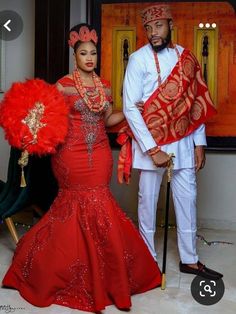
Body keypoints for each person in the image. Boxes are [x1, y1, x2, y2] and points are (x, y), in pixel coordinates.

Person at [2, 23, 161, 313]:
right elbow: (42, 118)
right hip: (70, 156)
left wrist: (129, 111)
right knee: (75, 204)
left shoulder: (105, 86)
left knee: (100, 201)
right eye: (83, 53)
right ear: (74, 56)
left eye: (93, 53)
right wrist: (32, 129)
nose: (89, 57)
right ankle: (57, 266)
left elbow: (108, 121)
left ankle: (105, 273)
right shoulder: (62, 85)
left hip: (100, 153)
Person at [120, 4, 223, 280]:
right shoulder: (138, 60)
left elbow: (196, 105)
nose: (154, 33)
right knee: (147, 201)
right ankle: (146, 260)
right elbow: (130, 107)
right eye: (149, 28)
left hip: (184, 142)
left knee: (188, 200)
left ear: (170, 25)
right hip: (150, 144)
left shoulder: (186, 58)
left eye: (159, 26)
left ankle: (189, 259)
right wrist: (152, 150)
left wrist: (199, 143)